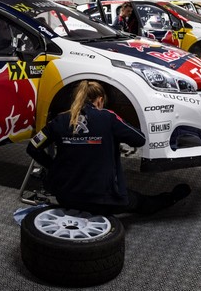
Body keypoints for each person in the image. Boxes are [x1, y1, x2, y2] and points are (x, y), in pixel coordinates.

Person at [26, 80, 190, 216]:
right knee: (143, 203)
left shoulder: (60, 120)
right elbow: (139, 139)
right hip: (103, 201)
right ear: (99, 100)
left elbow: (32, 148)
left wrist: (54, 166)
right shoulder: (108, 116)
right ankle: (173, 197)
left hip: (65, 197)